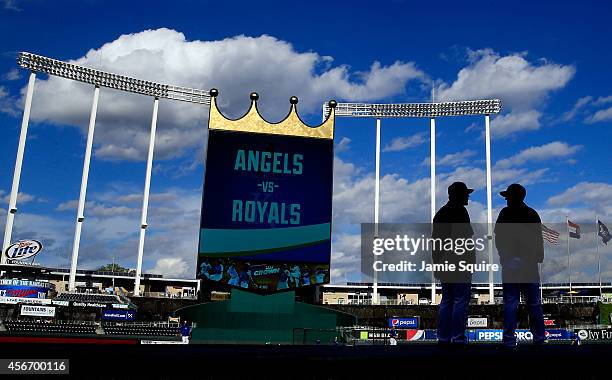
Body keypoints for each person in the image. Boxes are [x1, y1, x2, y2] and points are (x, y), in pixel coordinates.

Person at [494, 183, 545, 348]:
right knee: (534, 303)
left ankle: (509, 340)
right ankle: (538, 338)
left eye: (507, 197)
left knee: (511, 302)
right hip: (529, 263)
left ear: (512, 197)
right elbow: (538, 239)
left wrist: (503, 257)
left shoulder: (505, 213)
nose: (506, 199)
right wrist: (538, 257)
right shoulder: (531, 213)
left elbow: (499, 238)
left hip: (511, 262)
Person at [432, 181, 475, 346]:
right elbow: (466, 240)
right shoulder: (461, 212)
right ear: (459, 195)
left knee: (447, 300)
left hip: (444, 261)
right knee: (460, 300)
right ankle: (458, 338)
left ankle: (443, 338)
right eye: (466, 193)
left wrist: (436, 264)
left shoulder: (440, 213)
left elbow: (435, 242)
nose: (468, 196)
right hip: (460, 261)